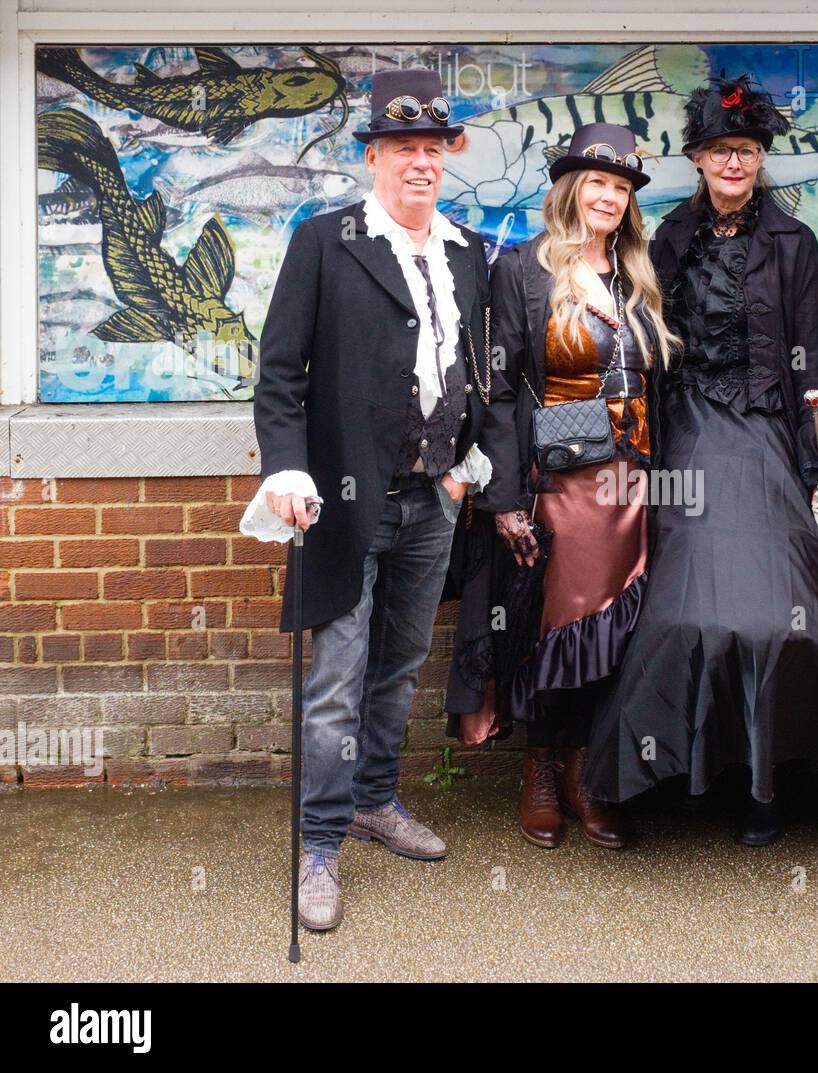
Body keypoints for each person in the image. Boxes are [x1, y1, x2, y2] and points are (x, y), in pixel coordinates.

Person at [583, 75, 818, 846]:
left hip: (768, 438)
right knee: (688, 613)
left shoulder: (794, 244)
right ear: (696, 157)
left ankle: (771, 782)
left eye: (749, 150)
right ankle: (685, 773)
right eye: (722, 150)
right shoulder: (662, 239)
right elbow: (642, 350)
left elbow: (816, 369)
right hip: (688, 437)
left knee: (777, 619)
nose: (736, 162)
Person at [241, 68, 492, 930]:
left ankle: (375, 800)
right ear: (374, 157)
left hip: (434, 500)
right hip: (347, 502)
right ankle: (318, 844)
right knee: (338, 678)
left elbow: (486, 376)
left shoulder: (468, 251)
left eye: (433, 149)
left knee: (399, 664)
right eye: (403, 149)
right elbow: (279, 377)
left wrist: (469, 470)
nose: (420, 163)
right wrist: (289, 470)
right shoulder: (325, 240)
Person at [475, 123, 676, 850]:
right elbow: (496, 390)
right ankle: (539, 766)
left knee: (620, 634)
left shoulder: (638, 274)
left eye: (621, 188)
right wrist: (501, 495)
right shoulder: (527, 270)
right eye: (598, 183)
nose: (610, 198)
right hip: (562, 483)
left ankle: (590, 772)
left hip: (638, 481)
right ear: (570, 190)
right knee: (560, 626)